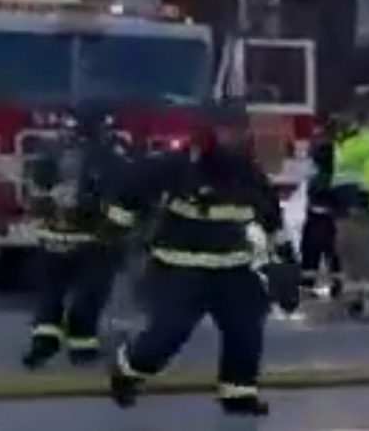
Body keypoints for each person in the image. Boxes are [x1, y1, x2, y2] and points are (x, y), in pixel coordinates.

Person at [104, 101, 295, 417]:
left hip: (232, 269)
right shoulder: (177, 167)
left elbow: (272, 221)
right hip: (179, 268)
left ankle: (238, 393)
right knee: (167, 336)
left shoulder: (250, 175)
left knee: (245, 330)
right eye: (226, 130)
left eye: (239, 131)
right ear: (208, 132)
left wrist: (287, 264)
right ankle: (128, 370)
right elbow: (131, 187)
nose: (233, 138)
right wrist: (116, 226)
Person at [21, 106, 125, 369]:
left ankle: (43, 343)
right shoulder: (110, 158)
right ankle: (82, 347)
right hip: (93, 242)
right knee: (89, 295)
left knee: (50, 294)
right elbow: (124, 197)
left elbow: (34, 193)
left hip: (52, 240)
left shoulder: (47, 154)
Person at [329, 95, 369, 322]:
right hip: (346, 204)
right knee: (347, 250)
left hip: (361, 206)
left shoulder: (366, 139)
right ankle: (355, 297)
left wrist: (362, 200)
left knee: (362, 253)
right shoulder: (348, 139)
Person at [299, 116, 342, 298]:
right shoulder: (339, 152)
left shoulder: (319, 164)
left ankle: (308, 284)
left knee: (312, 250)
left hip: (317, 212)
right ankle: (337, 285)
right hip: (332, 214)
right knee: (334, 253)